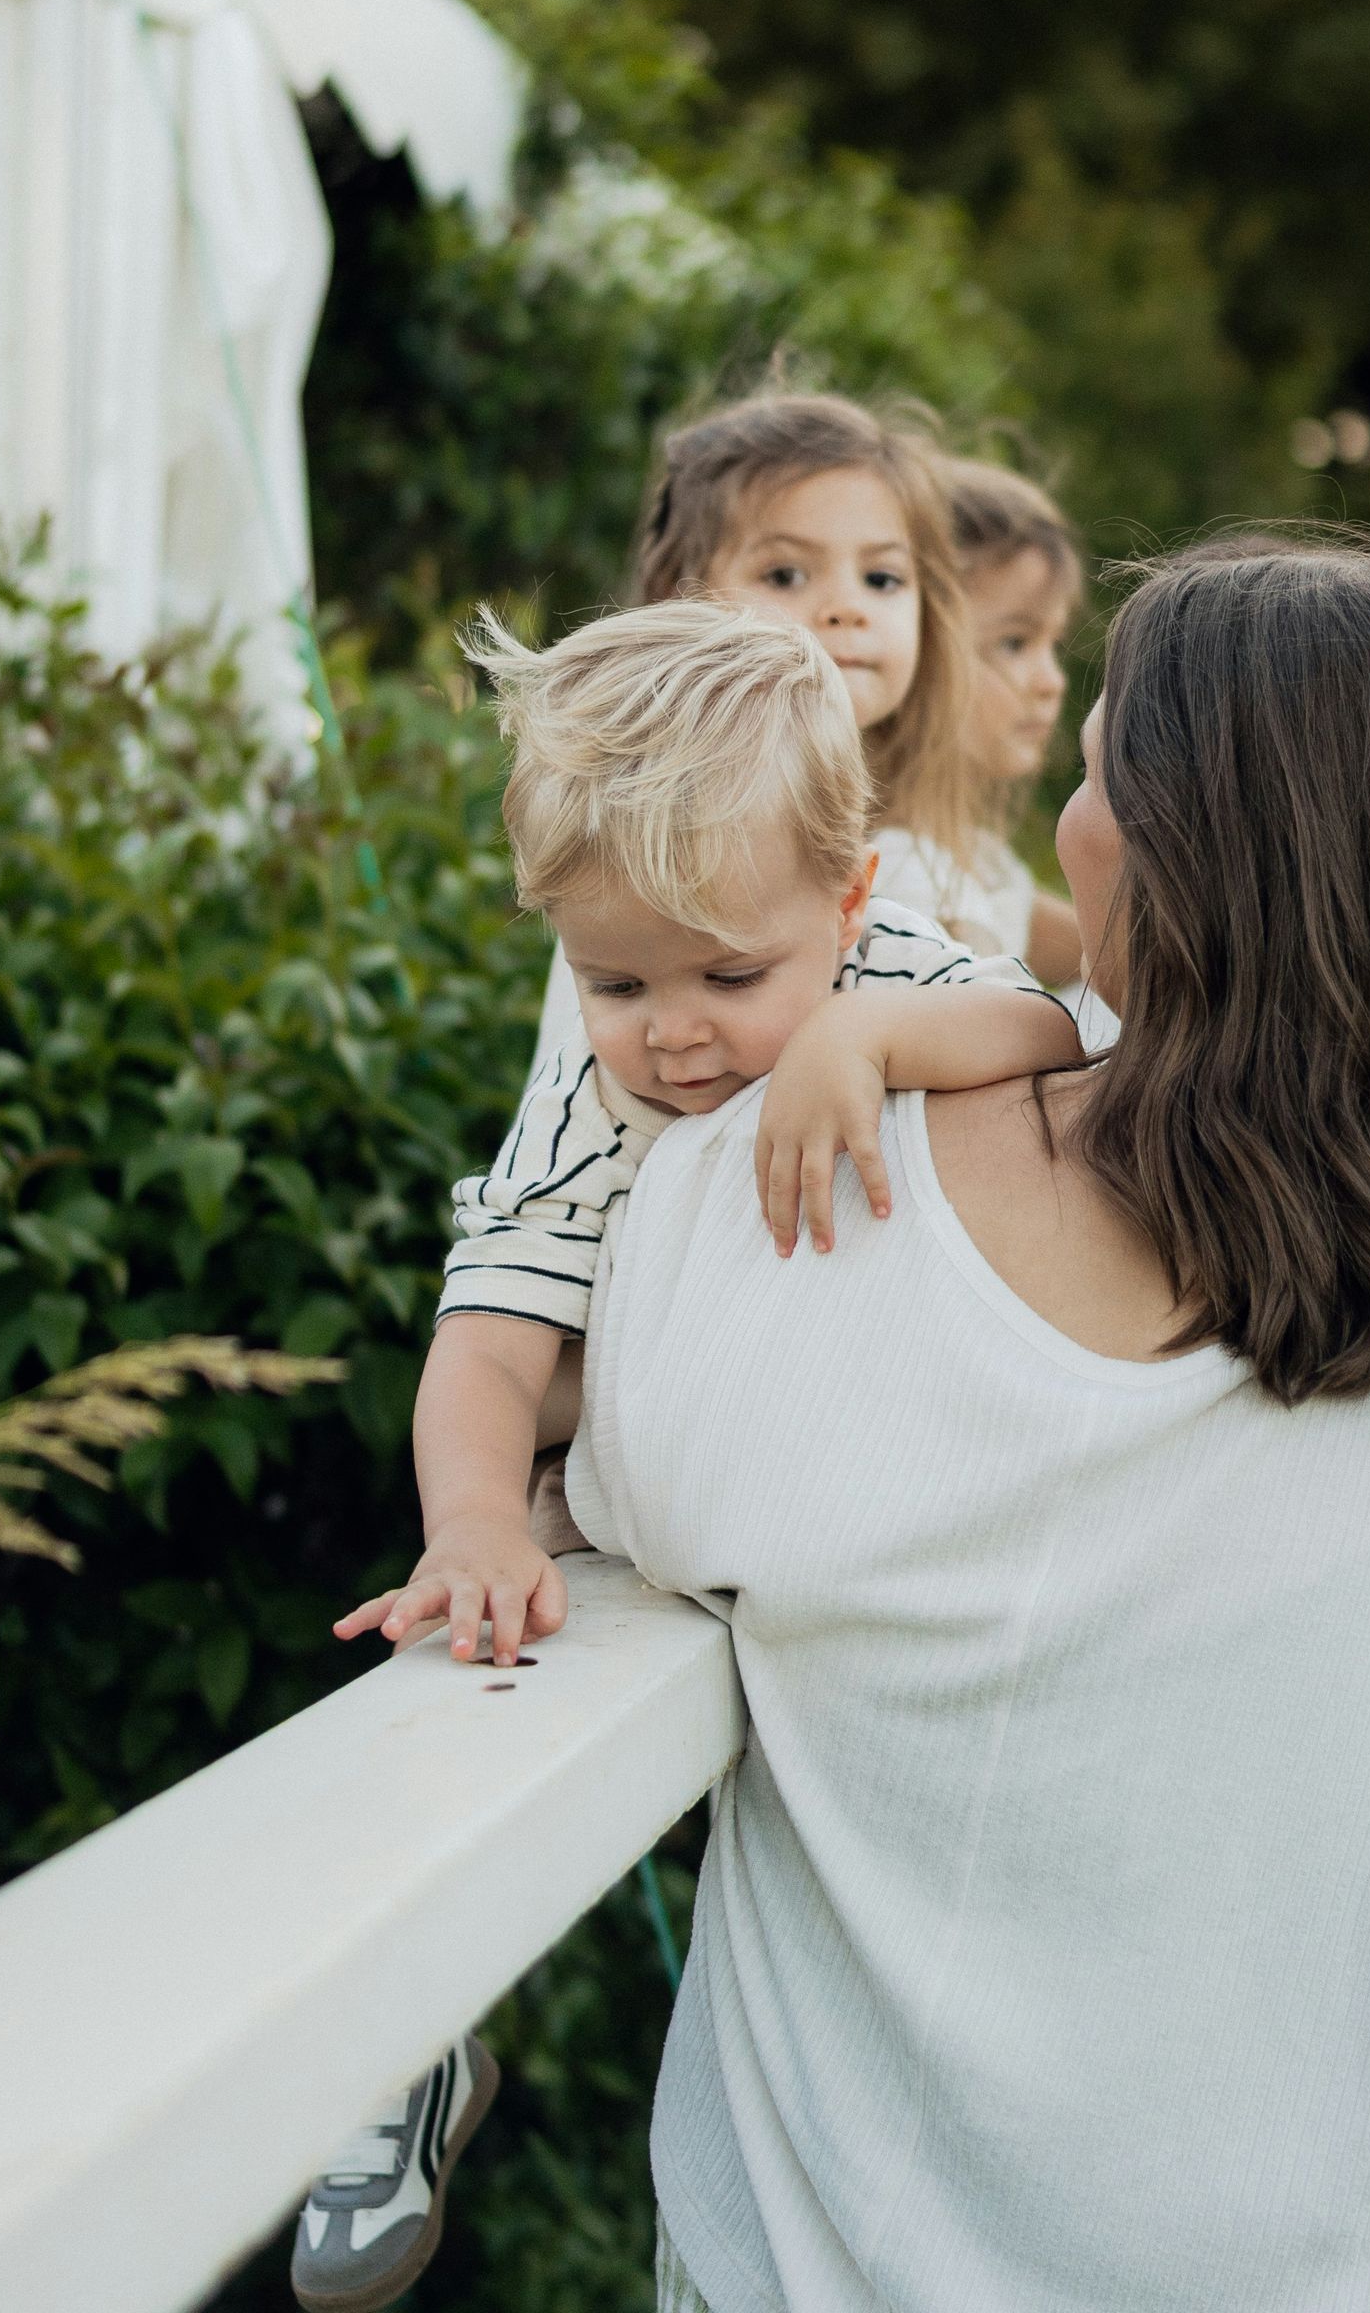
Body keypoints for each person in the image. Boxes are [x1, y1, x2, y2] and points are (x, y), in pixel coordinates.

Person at [549, 533, 1370, 2311]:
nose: (1060, 828)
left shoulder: (780, 1200)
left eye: (1092, 774)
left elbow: (583, 1480)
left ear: (1168, 857)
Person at [293, 600, 1076, 2313]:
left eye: (734, 976)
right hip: (664, 1507)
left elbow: (1052, 1041)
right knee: (480, 1691)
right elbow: (491, 1340)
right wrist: (480, 1517)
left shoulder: (892, 971)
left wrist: (859, 1046)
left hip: (878, 1515)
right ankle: (410, 2042)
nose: (676, 1034)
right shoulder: (593, 1080)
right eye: (615, 978)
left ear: (853, 905)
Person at [527, 375, 981, 1072]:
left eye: (882, 579)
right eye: (785, 575)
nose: (845, 608)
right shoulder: (636, 843)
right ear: (676, 596)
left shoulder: (912, 840)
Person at [876, 457, 1088, 980]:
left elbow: (1069, 937)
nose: (1051, 681)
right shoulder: (903, 876)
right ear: (915, 644)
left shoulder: (969, 853)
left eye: (1051, 644)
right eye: (1014, 642)